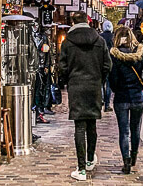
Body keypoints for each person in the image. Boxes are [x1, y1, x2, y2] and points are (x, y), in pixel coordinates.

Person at [59, 11, 112, 181]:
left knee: (79, 127)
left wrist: (69, 80)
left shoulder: (68, 42)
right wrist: (99, 79)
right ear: (87, 22)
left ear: (73, 22)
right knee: (92, 125)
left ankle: (81, 169)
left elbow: (62, 67)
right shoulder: (100, 40)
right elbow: (107, 65)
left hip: (77, 87)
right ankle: (90, 160)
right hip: (94, 86)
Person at [109, 26, 143, 174]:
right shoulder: (140, 54)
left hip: (121, 97)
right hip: (137, 97)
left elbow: (113, 78)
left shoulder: (115, 56)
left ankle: (126, 161)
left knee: (124, 131)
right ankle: (134, 157)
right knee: (135, 129)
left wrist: (117, 89)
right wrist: (140, 85)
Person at [100, 20, 114, 111]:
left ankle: (101, 100)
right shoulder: (114, 37)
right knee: (109, 85)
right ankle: (107, 104)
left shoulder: (100, 37)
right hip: (111, 63)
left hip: (101, 63)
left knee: (101, 84)